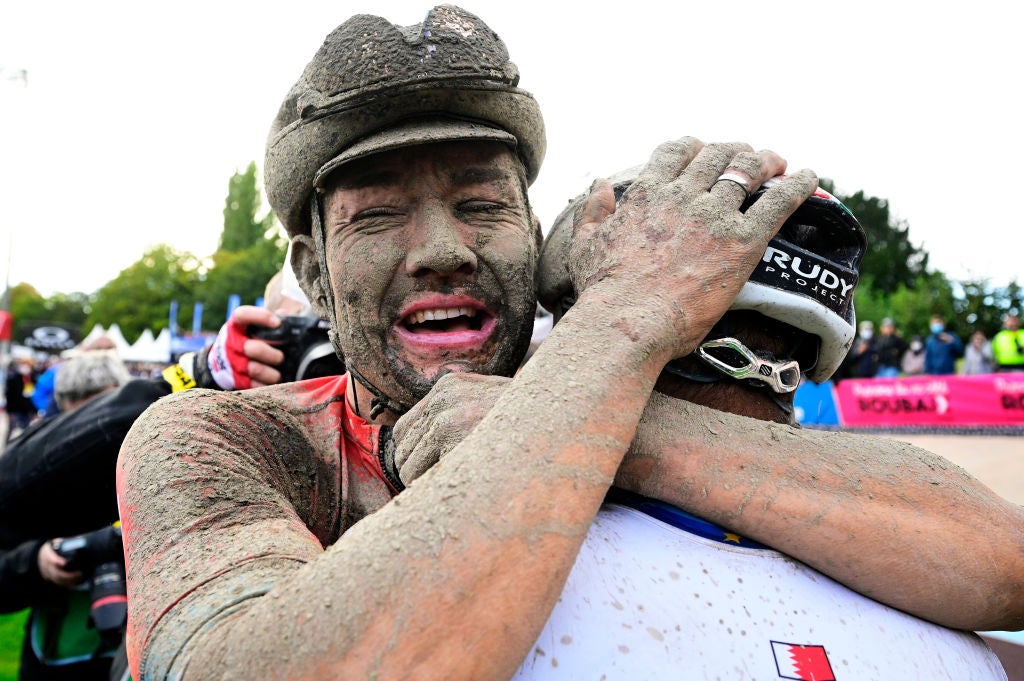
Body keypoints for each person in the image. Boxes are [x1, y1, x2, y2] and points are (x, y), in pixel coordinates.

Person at [116, 8, 1022, 680]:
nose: (441, 249)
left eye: (482, 204)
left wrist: (592, 415)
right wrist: (627, 319)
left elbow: (999, 564)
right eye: (380, 216)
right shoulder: (223, 442)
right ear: (313, 273)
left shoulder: (616, 378)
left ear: (533, 233)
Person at [0, 269, 326, 681]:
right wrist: (200, 375)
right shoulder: (212, 434)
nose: (324, 359)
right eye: (305, 334)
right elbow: (13, 485)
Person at [0, 351, 134, 681]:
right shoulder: (35, 474)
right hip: (57, 656)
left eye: (107, 423)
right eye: (77, 428)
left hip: (144, 651)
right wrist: (37, 561)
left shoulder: (166, 462)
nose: (92, 446)